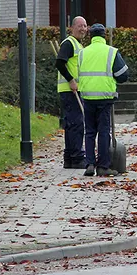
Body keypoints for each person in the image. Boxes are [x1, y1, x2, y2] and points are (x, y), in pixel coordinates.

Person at [77, 23, 129, 177]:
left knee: (90, 132)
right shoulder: (111, 52)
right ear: (104, 36)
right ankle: (103, 166)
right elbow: (123, 75)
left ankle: (90, 164)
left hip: (87, 96)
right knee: (104, 131)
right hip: (105, 97)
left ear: (91, 36)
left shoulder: (82, 53)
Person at [55, 16, 89, 169]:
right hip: (70, 90)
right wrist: (70, 80)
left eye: (85, 26)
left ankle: (69, 158)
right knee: (76, 124)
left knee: (71, 125)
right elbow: (59, 63)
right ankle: (77, 158)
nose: (83, 29)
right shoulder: (69, 43)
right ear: (72, 27)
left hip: (73, 90)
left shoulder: (78, 45)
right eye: (80, 26)